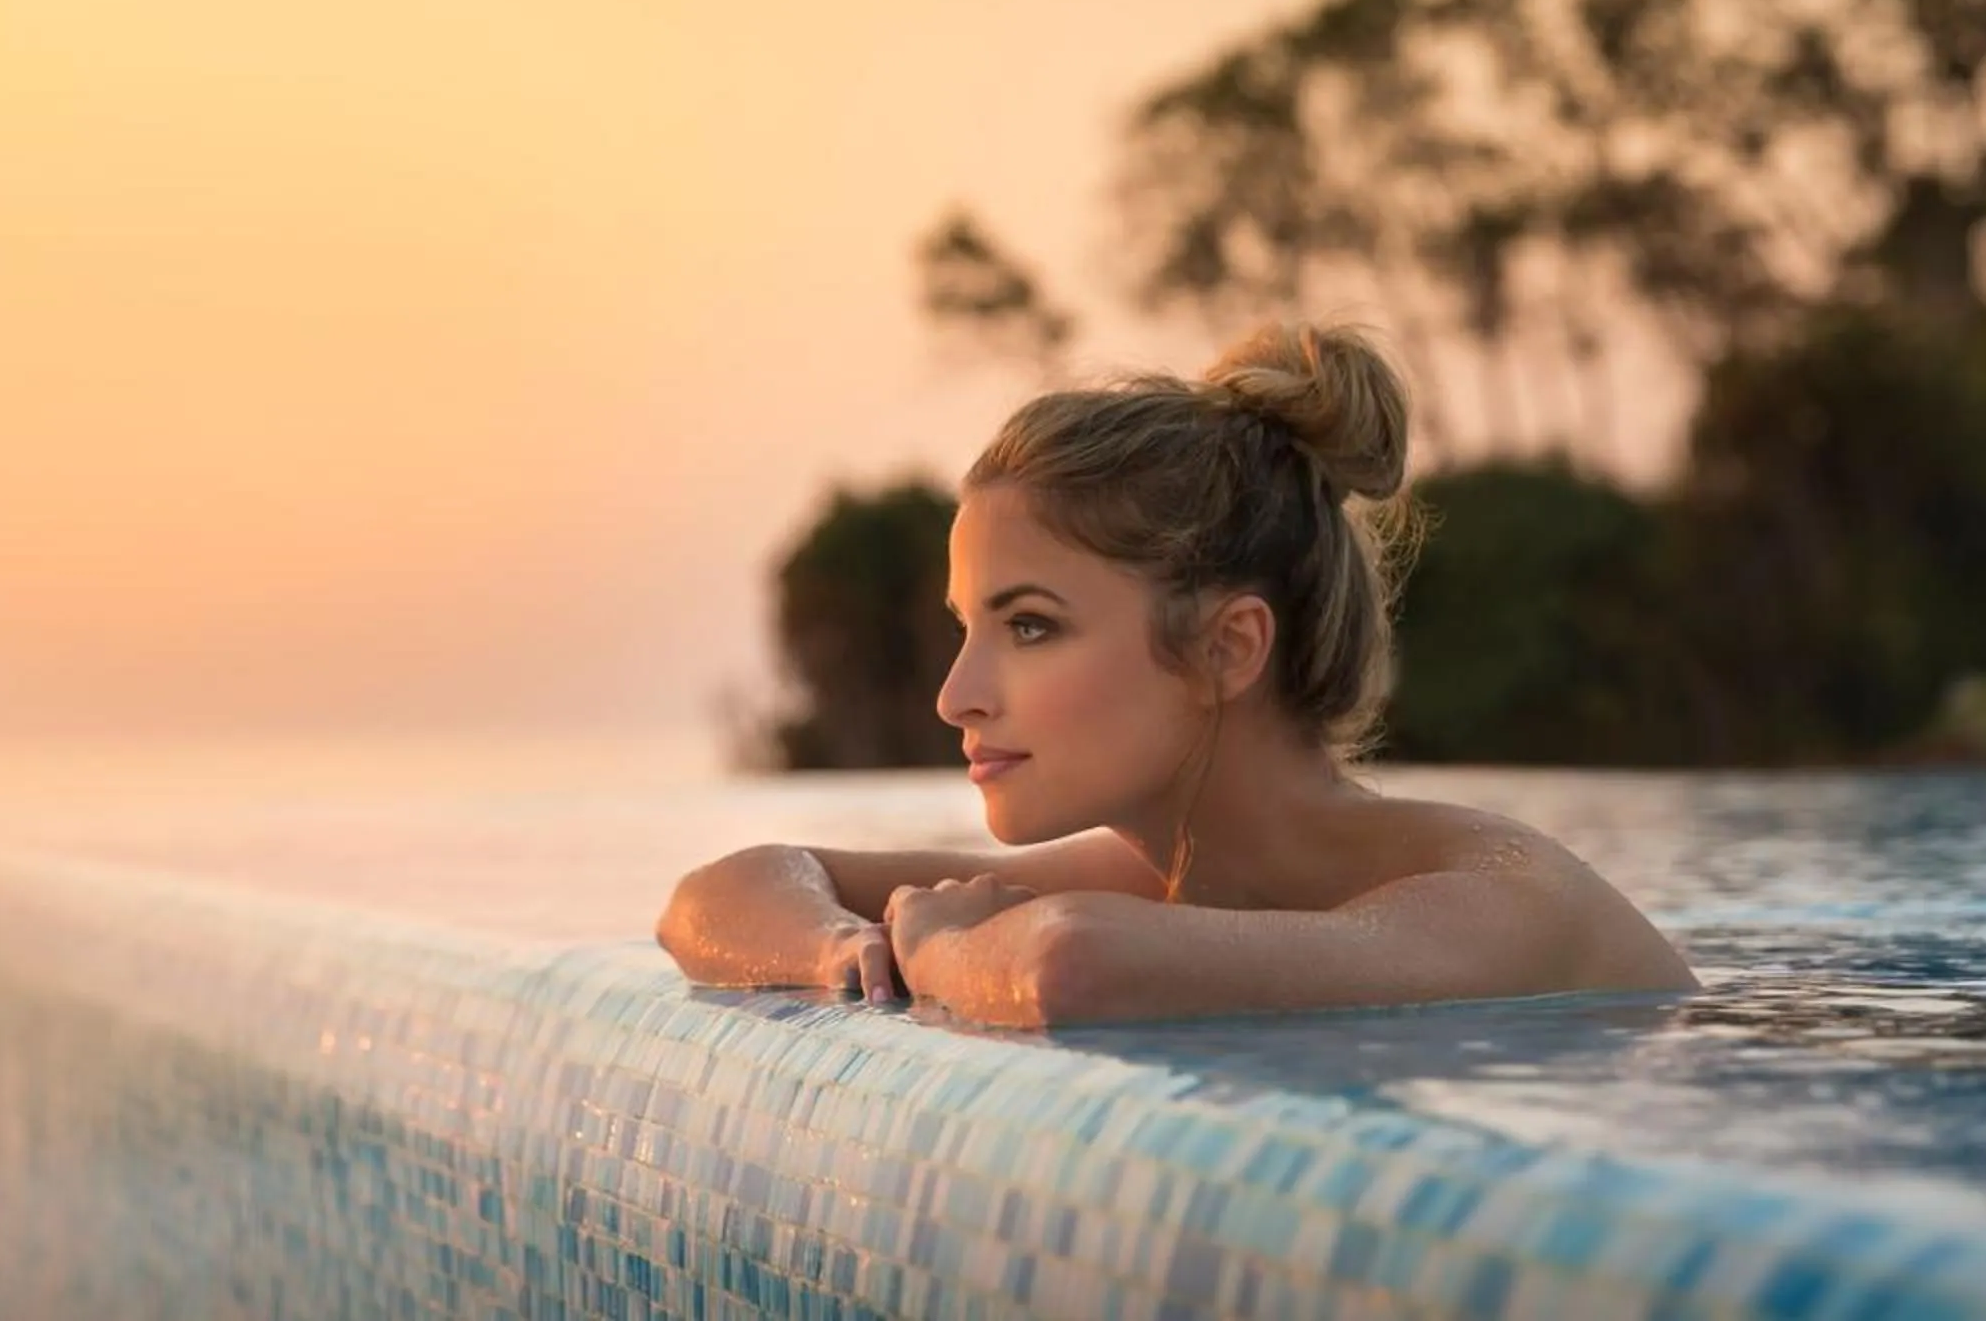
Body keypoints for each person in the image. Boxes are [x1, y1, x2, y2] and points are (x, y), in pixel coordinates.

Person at [655, 321, 1697, 1026]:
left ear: (1226, 648)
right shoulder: (1166, 879)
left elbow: (1068, 964)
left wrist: (937, 946)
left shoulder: (1497, 899)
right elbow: (728, 889)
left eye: (1028, 626)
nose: (955, 694)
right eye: (967, 627)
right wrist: (851, 952)